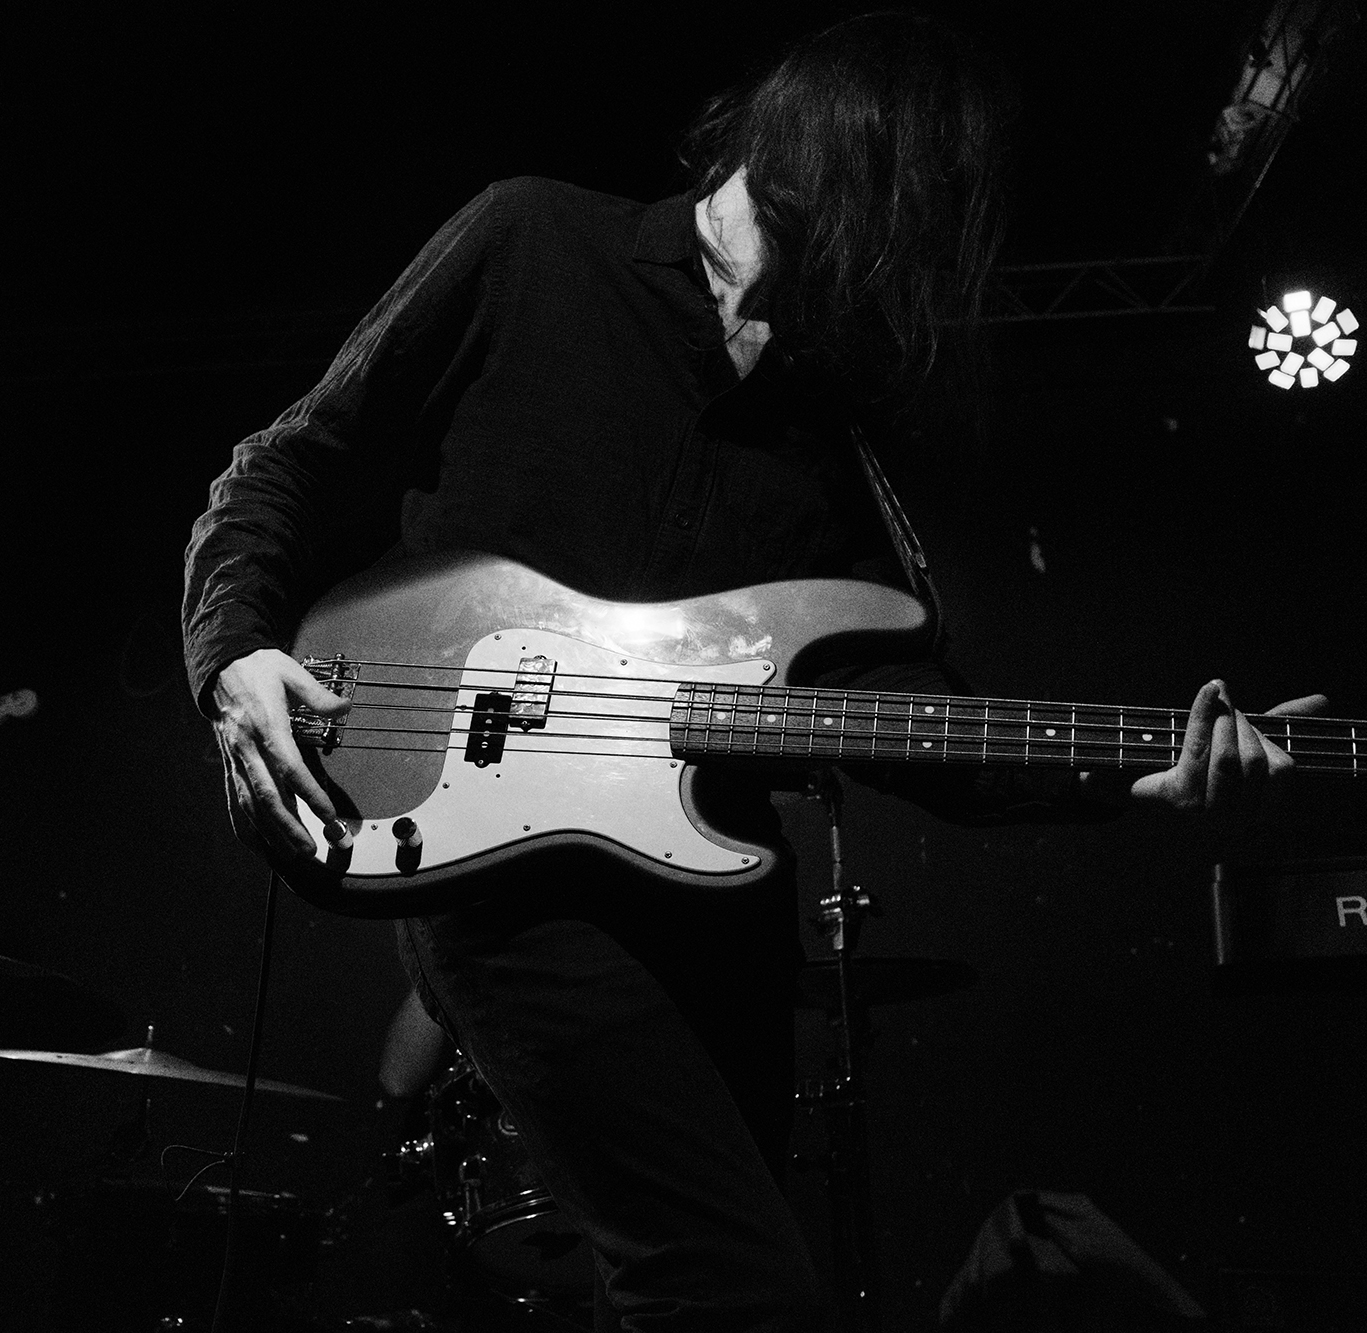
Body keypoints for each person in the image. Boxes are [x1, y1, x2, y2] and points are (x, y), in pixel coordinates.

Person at [182, 14, 1320, 1332]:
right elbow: (288, 462)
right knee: (730, 1289)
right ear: (851, 176)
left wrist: (1145, 774)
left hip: (716, 919)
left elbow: (910, 728)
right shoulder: (531, 241)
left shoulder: (825, 431)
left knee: (678, 1286)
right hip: (508, 891)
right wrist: (235, 660)